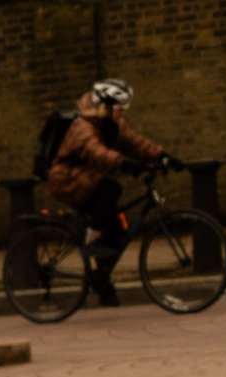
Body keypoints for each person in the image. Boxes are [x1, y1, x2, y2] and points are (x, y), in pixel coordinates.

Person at [45, 82, 175, 303]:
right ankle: (90, 238)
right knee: (112, 188)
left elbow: (135, 143)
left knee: (115, 232)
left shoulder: (111, 124)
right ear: (104, 105)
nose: (122, 112)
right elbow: (95, 151)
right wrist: (123, 163)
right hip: (68, 180)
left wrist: (163, 156)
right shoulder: (83, 126)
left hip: (87, 178)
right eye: (119, 107)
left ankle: (101, 280)